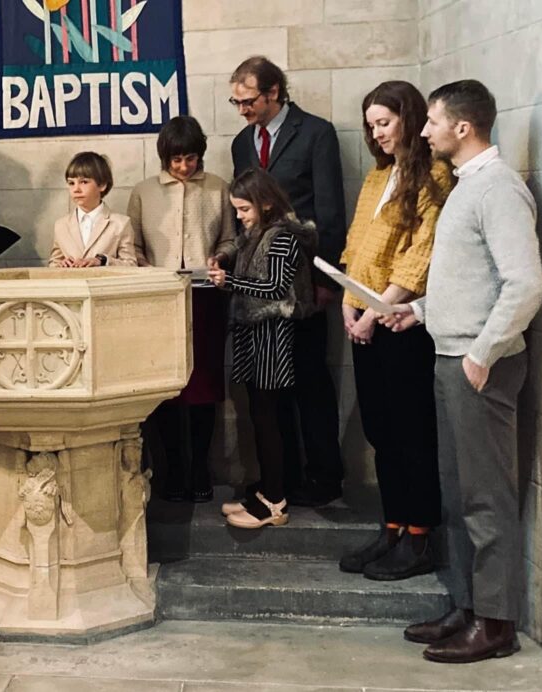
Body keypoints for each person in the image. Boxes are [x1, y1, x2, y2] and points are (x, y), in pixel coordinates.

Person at [382, 80, 542, 663]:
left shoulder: (498, 189)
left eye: (431, 121)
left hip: (480, 366)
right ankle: (469, 606)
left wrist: (482, 354)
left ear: (463, 127)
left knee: (486, 500)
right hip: (449, 355)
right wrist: (418, 310)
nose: (422, 131)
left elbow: (525, 284)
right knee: (457, 494)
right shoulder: (466, 186)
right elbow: (468, 278)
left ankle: (495, 625)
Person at [337, 81, 453, 581]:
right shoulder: (375, 178)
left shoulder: (434, 176)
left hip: (403, 322)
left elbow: (420, 254)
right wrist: (348, 304)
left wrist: (375, 308)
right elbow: (357, 247)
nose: (377, 132)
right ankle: (393, 528)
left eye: (384, 122)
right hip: (365, 317)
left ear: (409, 117)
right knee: (381, 431)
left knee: (411, 434)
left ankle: (421, 538)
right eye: (370, 125)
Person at [229, 56, 346, 507]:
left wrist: (325, 281)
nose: (242, 110)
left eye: (248, 100)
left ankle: (324, 477)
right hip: (262, 293)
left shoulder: (316, 133)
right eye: (236, 102)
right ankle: (282, 479)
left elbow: (331, 211)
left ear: (274, 91)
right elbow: (246, 219)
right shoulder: (243, 142)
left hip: (304, 283)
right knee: (270, 390)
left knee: (311, 380)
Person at [127, 115, 235, 502]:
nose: (184, 167)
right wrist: (145, 270)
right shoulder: (144, 192)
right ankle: (171, 468)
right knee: (165, 386)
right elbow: (133, 245)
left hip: (205, 295)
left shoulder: (218, 188)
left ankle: (199, 468)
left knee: (203, 383)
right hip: (160, 297)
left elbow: (230, 238)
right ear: (164, 158)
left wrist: (219, 257)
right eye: (176, 160)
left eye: (191, 158)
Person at [207, 168, 317, 529]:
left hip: (272, 333)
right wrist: (222, 260)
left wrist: (229, 281)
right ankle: (267, 488)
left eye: (244, 210)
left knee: (269, 419)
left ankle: (275, 501)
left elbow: (275, 288)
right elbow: (238, 247)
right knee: (259, 414)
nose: (239, 217)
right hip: (254, 332)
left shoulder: (283, 236)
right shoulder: (257, 233)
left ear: (266, 203)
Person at [49, 151, 137, 268]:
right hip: (71, 285)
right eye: (71, 183)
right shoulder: (61, 225)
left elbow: (131, 265)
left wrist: (103, 261)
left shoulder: (120, 223)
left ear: (102, 185)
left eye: (84, 182)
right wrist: (60, 265)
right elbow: (53, 264)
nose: (76, 189)